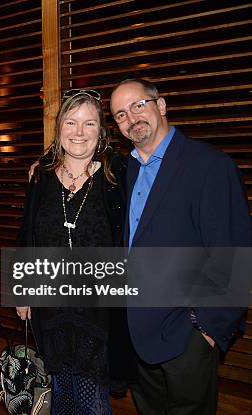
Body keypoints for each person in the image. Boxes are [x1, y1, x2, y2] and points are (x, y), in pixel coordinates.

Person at [110, 78, 252, 414]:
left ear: (160, 105)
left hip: (186, 335)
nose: (131, 117)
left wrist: (206, 330)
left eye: (138, 105)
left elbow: (233, 253)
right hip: (138, 335)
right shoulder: (123, 170)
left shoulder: (209, 165)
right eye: (120, 114)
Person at [16, 89, 136, 414]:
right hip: (51, 308)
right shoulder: (40, 177)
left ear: (102, 132)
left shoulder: (119, 175)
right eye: (71, 122)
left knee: (91, 400)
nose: (79, 133)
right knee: (62, 397)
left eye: (89, 124)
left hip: (99, 313)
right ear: (59, 129)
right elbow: (27, 236)